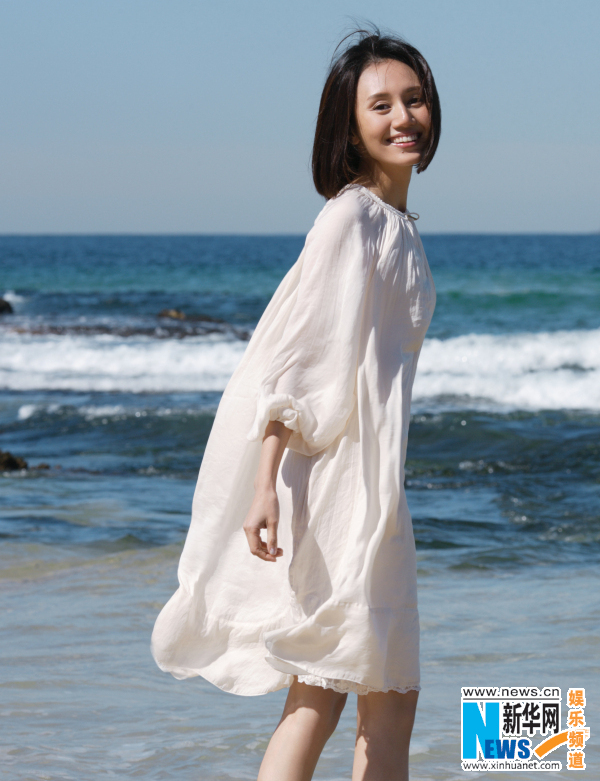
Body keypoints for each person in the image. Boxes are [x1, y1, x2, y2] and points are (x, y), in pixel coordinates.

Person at [151, 27, 440, 781]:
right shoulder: (351, 218)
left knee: (370, 696)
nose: (403, 116)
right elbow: (297, 358)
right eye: (381, 105)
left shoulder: (397, 228)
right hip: (339, 485)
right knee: (342, 693)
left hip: (373, 486)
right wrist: (264, 483)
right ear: (349, 126)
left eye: (414, 98)